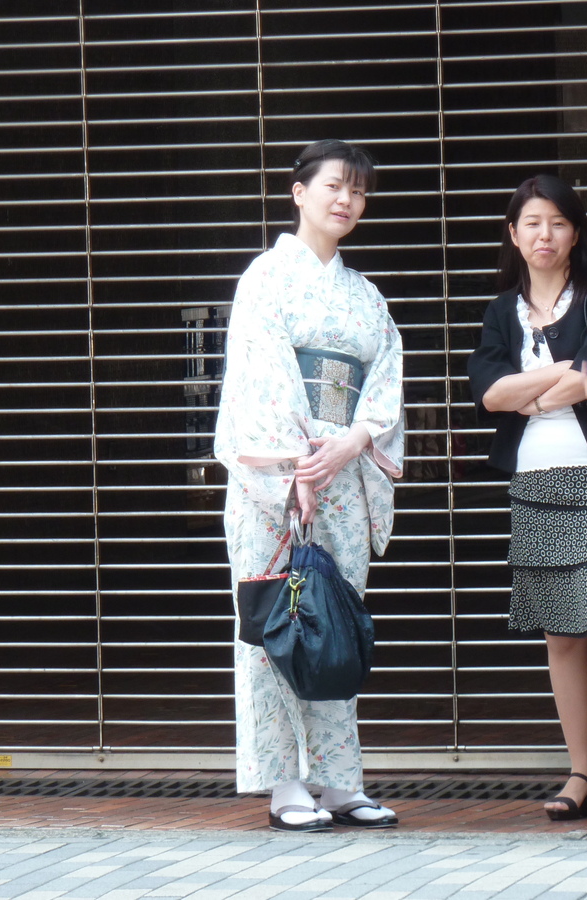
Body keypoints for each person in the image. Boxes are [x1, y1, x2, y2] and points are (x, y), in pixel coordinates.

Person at [213, 140, 404, 833]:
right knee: (276, 626)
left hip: (343, 474)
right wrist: (298, 465)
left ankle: (339, 780)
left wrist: (353, 440)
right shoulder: (265, 279)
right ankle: (284, 782)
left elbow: (384, 380)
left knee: (331, 625)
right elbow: (262, 379)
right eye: (333, 186)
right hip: (277, 481)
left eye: (358, 191)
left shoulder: (365, 297)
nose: (346, 200)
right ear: (298, 192)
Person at [467, 174, 587, 825]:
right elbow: (490, 395)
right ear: (514, 235)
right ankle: (585, 771)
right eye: (532, 223)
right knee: (560, 635)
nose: (543, 234)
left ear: (575, 232)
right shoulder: (501, 312)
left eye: (556, 223)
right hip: (535, 481)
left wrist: (536, 384)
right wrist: (563, 374)